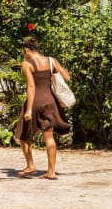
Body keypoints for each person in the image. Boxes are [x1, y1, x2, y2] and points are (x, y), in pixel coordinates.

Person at [13, 38, 71, 180]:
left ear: (27, 50)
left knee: (23, 135)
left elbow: (31, 86)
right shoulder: (51, 60)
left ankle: (30, 165)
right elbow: (67, 77)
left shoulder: (27, 64)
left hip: (36, 103)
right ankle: (51, 172)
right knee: (49, 137)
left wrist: (28, 110)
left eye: (24, 52)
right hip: (51, 102)